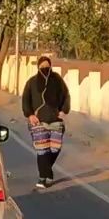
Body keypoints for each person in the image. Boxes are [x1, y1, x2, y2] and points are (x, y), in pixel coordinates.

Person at [21, 56, 70, 189]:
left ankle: (46, 172)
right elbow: (25, 99)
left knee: (55, 148)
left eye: (47, 67)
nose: (45, 69)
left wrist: (64, 110)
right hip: (38, 122)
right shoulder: (32, 82)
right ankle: (44, 177)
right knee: (42, 150)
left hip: (56, 121)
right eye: (42, 67)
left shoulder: (57, 80)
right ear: (38, 68)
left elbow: (66, 95)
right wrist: (30, 114)